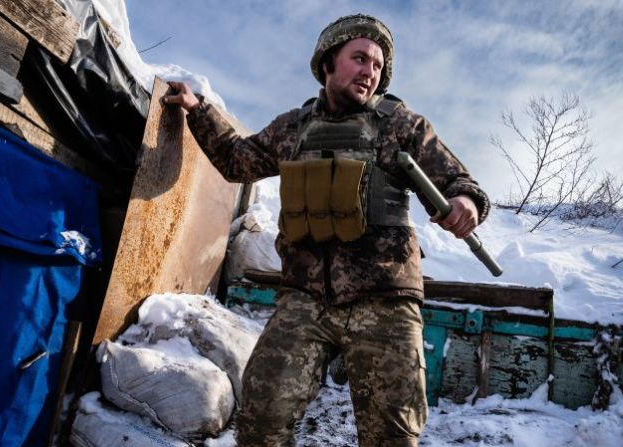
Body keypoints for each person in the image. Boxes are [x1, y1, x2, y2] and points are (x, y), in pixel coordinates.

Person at [163, 13, 490, 447]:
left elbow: (458, 183)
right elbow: (237, 160)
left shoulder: (402, 125)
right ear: (328, 62)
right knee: (260, 420)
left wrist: (466, 204)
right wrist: (198, 110)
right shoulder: (292, 128)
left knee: (392, 437)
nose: (369, 72)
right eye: (360, 58)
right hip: (305, 298)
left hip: (384, 300)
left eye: (377, 65)